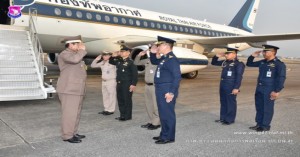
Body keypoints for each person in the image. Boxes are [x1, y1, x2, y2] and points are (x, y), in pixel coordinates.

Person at [246, 44, 286, 132]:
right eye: (264, 51)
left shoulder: (279, 64)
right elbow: (249, 64)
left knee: (267, 108)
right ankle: (259, 124)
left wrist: (276, 91)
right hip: (259, 87)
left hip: (269, 89)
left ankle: (265, 126)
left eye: (266, 51)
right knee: (259, 107)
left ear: (273, 52)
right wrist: (252, 56)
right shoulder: (263, 62)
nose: (264, 53)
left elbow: (281, 78)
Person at [150, 36, 181, 144]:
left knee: (167, 114)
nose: (158, 47)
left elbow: (177, 77)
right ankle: (164, 134)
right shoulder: (165, 58)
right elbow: (154, 61)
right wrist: (153, 52)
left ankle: (168, 137)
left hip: (167, 89)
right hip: (161, 88)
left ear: (166, 46)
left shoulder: (172, 59)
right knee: (163, 113)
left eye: (159, 45)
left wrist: (171, 92)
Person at [56, 35, 87, 143]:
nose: (80, 46)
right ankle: (67, 135)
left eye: (79, 44)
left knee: (76, 113)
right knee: (69, 113)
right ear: (70, 44)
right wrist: (82, 51)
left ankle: (73, 132)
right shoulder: (65, 54)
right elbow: (75, 60)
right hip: (68, 89)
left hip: (77, 89)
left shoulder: (75, 54)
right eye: (77, 44)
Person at [211, 47, 245, 125]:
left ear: (234, 54)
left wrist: (236, 88)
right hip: (223, 85)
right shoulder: (225, 62)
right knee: (223, 102)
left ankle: (229, 119)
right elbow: (214, 62)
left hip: (231, 85)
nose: (226, 55)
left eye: (228, 53)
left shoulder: (239, 63)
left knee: (230, 102)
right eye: (226, 53)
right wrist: (217, 56)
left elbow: (239, 76)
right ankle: (223, 118)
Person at [109, 46, 138, 121]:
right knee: (120, 100)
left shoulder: (131, 62)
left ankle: (127, 116)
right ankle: (122, 115)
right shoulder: (119, 60)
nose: (121, 53)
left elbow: (135, 74)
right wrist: (113, 56)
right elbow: (111, 61)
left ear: (128, 52)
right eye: (121, 51)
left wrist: (133, 84)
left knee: (126, 100)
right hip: (119, 83)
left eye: (123, 51)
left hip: (127, 84)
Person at [134, 50, 161, 130]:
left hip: (155, 86)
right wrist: (139, 55)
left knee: (156, 105)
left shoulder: (160, 60)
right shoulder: (148, 60)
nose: (151, 51)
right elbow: (136, 63)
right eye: (150, 49)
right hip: (147, 85)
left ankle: (156, 123)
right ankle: (151, 121)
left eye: (154, 49)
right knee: (148, 104)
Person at [91, 51, 117, 115]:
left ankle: (111, 110)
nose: (105, 56)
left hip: (111, 81)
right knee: (105, 96)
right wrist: (96, 59)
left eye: (106, 55)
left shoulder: (113, 62)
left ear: (110, 56)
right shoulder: (102, 62)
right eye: (104, 55)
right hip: (104, 81)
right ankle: (106, 109)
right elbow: (92, 66)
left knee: (111, 96)